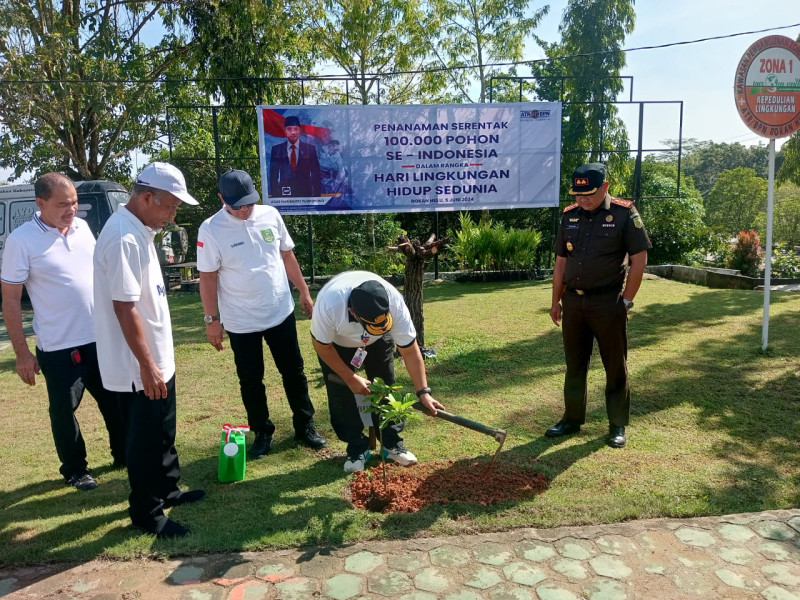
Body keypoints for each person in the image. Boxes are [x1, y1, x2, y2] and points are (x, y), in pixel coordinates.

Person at [93, 162, 203, 538]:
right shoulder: (124, 238)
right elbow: (124, 307)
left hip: (156, 359)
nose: (173, 215)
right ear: (145, 197)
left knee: (162, 430)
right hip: (137, 366)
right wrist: (147, 365)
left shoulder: (141, 230)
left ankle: (168, 487)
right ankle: (146, 511)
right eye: (170, 205)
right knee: (142, 441)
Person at [1, 173, 126, 491]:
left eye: (74, 202)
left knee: (114, 400)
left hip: (99, 337)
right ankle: (75, 469)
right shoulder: (21, 240)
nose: (72, 209)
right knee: (64, 409)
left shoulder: (83, 228)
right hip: (59, 345)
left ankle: (123, 454)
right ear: (40, 203)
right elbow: (11, 302)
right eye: (63, 204)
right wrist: (22, 353)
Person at [197, 168, 327, 458]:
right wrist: (211, 321)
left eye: (249, 203)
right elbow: (207, 277)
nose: (244, 210)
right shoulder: (210, 228)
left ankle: (305, 425)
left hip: (280, 311)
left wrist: (304, 292)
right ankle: (262, 431)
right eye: (237, 205)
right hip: (241, 321)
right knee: (251, 380)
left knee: (294, 372)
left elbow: (287, 255)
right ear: (221, 199)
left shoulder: (270, 215)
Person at [547, 163, 651, 448]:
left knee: (614, 364)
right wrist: (555, 301)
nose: (582, 199)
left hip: (608, 302)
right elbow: (560, 262)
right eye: (577, 194)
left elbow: (639, 258)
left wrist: (627, 299)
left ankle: (617, 424)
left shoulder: (623, 213)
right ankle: (571, 419)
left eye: (588, 193)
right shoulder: (569, 216)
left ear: (605, 187)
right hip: (574, 302)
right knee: (574, 364)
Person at [310, 270, 444, 472]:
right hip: (337, 344)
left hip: (377, 343)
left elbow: (409, 350)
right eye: (374, 325)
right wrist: (350, 377)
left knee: (386, 387)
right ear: (353, 312)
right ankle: (356, 448)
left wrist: (423, 392)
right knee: (341, 394)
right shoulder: (330, 305)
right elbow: (322, 346)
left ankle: (391, 445)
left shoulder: (395, 304)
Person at [268, 115, 322, 198]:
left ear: (300, 131)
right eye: (289, 129)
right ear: (285, 130)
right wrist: (276, 198)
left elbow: (316, 175)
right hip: (285, 194)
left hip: (306, 195)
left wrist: (317, 197)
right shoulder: (277, 150)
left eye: (296, 129)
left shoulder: (310, 149)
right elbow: (273, 177)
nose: (293, 132)